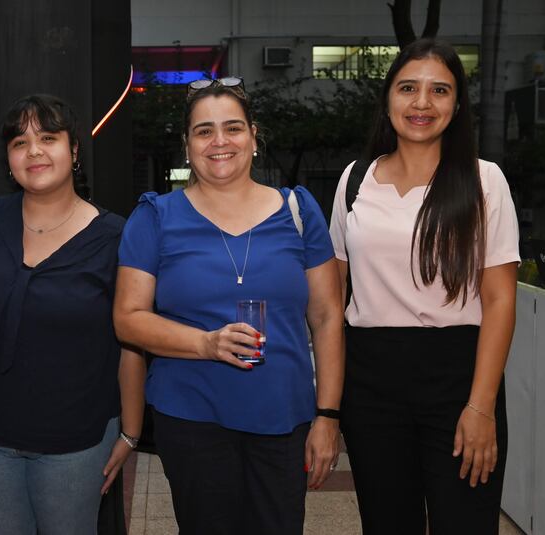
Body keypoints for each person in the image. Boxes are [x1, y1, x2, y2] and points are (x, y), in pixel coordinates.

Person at [113, 77, 344, 535]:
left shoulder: (299, 211)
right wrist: (205, 343)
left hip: (283, 419)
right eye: (204, 131)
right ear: (186, 145)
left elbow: (327, 316)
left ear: (254, 137)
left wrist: (328, 417)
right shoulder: (155, 217)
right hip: (192, 419)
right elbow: (128, 319)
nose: (220, 141)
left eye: (233, 128)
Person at [329, 38, 520, 535]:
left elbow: (500, 301)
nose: (421, 103)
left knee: (466, 523)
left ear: (457, 106)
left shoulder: (484, 181)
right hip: (370, 381)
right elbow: (332, 294)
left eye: (439, 91)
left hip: (459, 378)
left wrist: (481, 405)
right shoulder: (354, 181)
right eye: (408, 88)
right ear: (388, 98)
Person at [0, 94, 145, 535]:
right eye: (20, 142)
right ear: (8, 157)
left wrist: (131, 432)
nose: (34, 150)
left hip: (75, 443)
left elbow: (132, 342)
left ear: (74, 150)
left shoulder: (117, 237)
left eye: (48, 138)